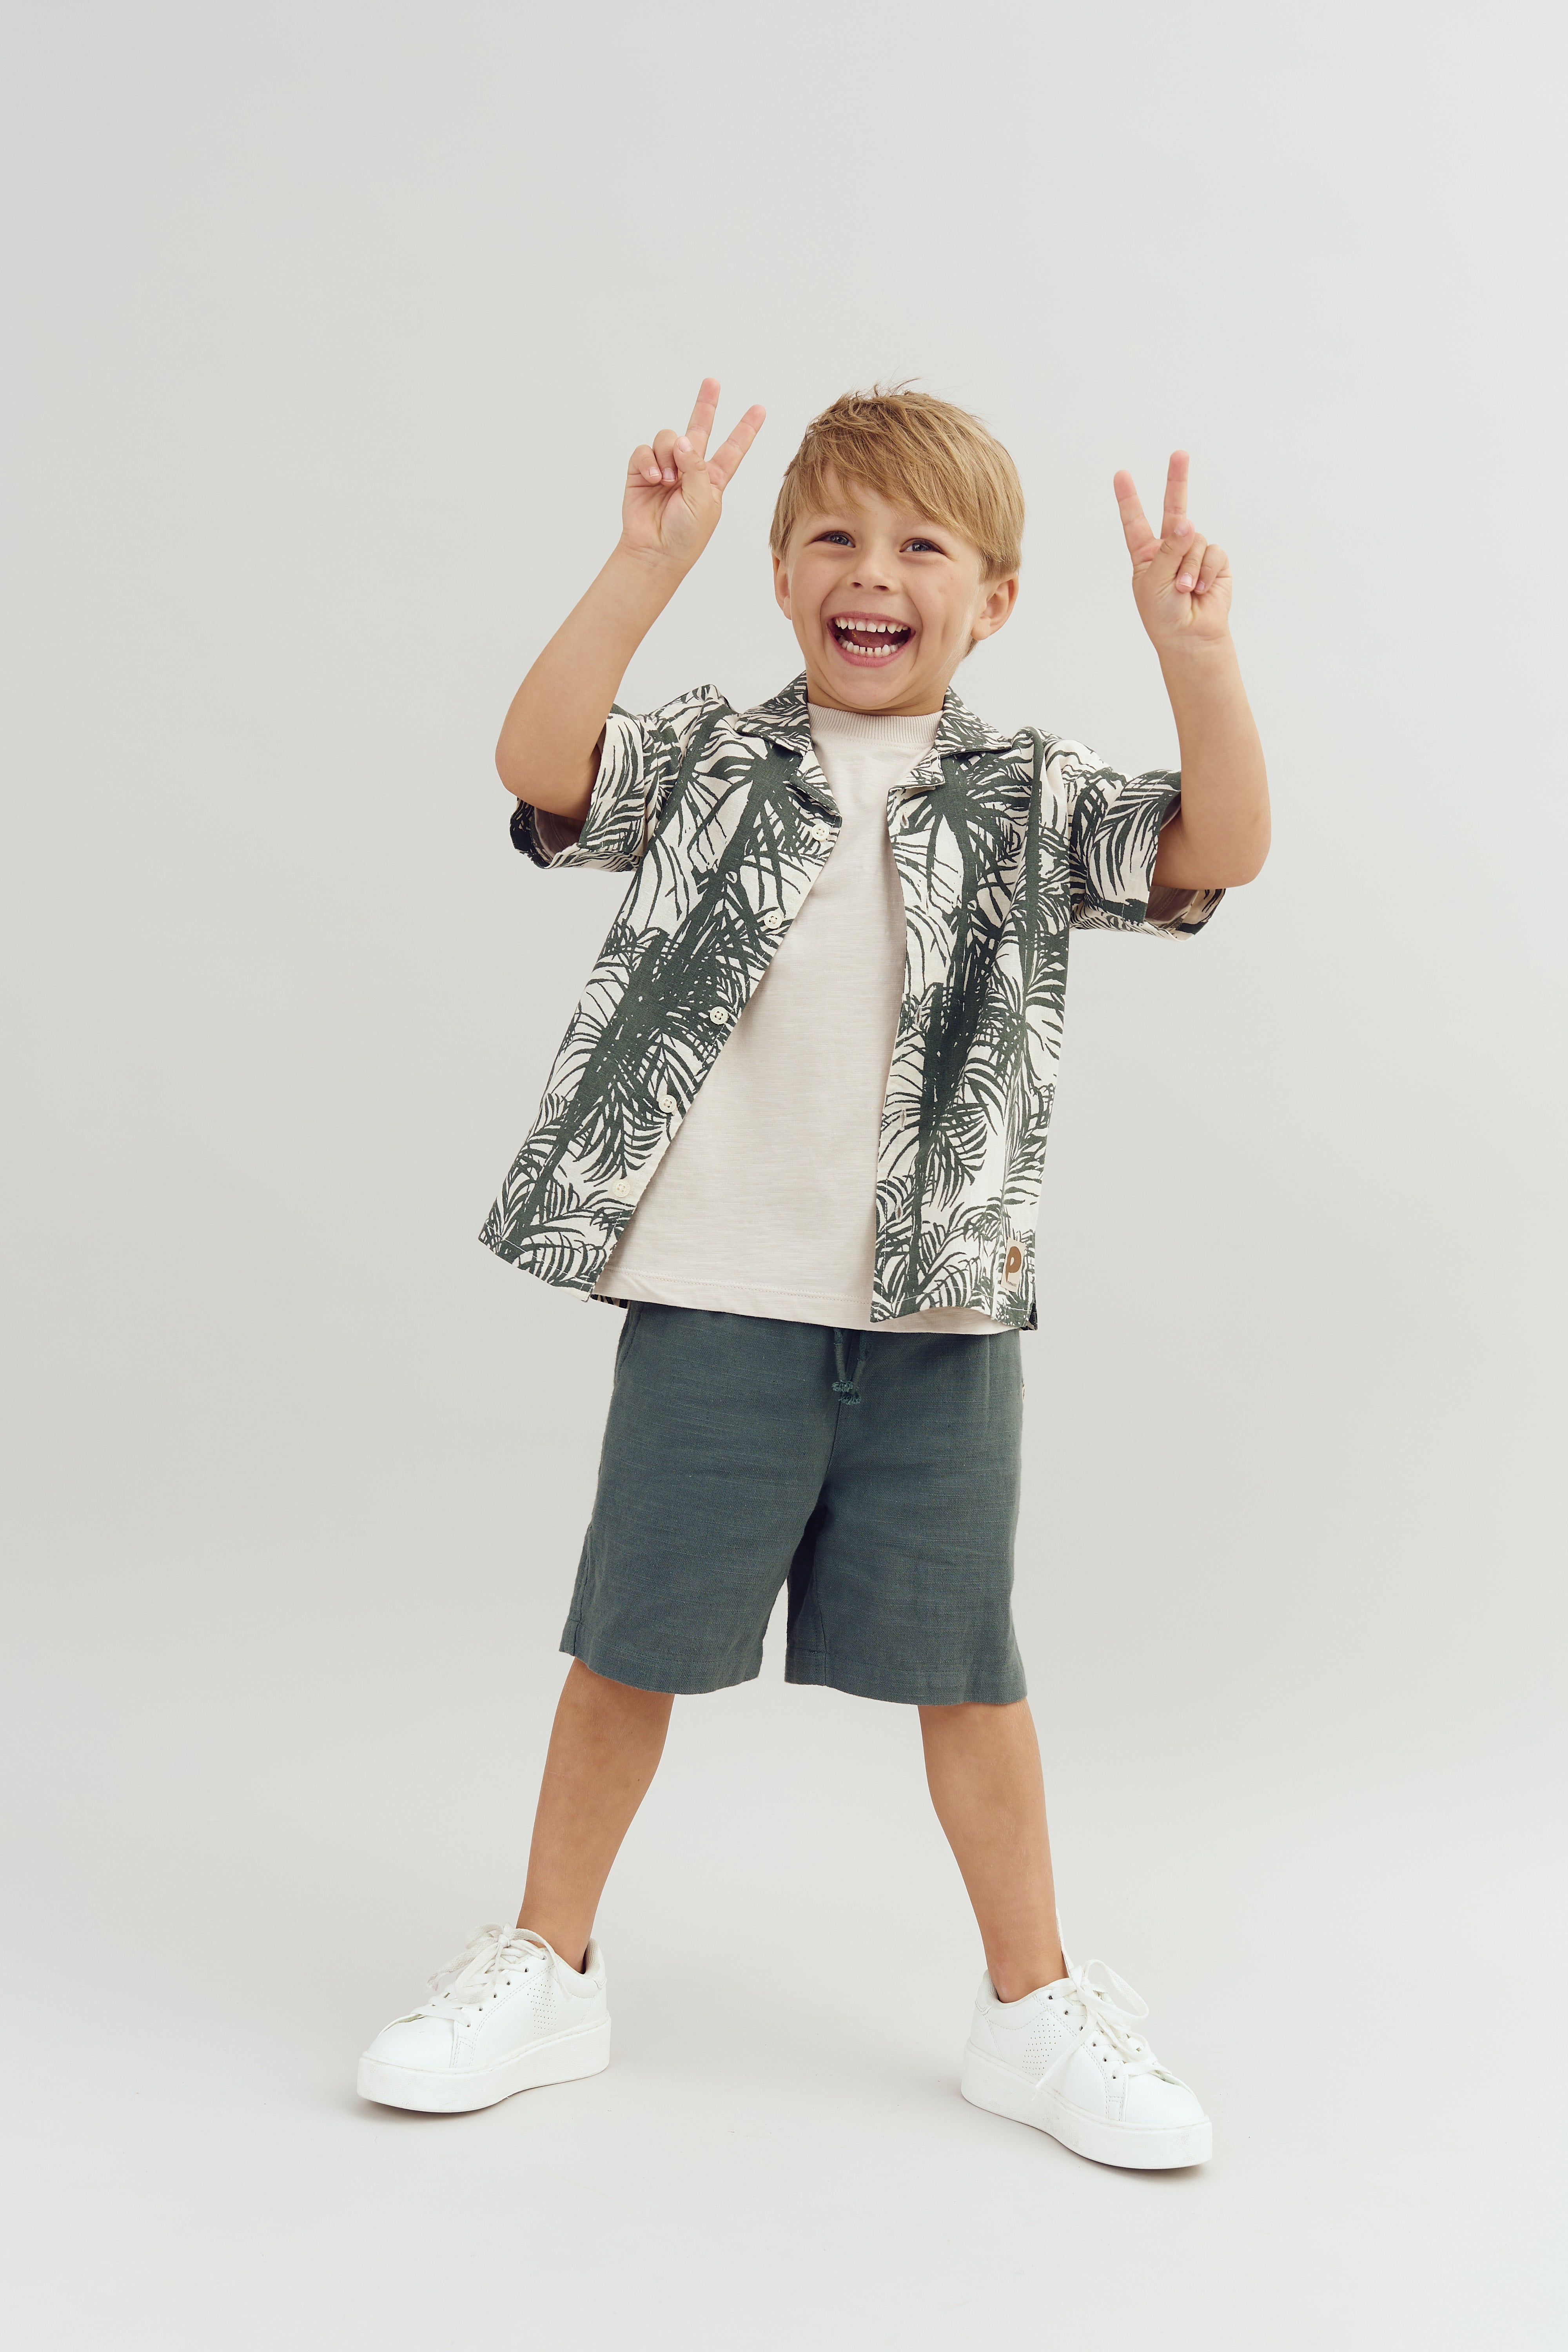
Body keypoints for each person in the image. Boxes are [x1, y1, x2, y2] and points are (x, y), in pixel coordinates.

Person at [357, 380, 1269, 2168]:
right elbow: (543, 767)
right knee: (627, 1653)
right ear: (781, 576)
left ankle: (1032, 2007)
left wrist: (1199, 658)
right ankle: (548, 1963)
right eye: (835, 539)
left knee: (971, 1677)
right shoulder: (712, 756)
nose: (875, 573)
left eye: (921, 546)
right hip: (716, 1299)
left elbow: (1212, 854)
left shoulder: (1023, 794)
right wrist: (640, 566)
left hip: (935, 1319)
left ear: (992, 600)